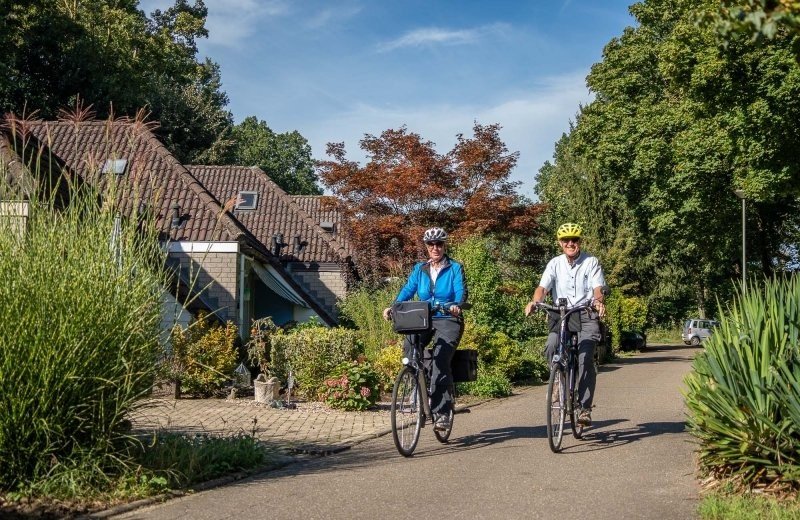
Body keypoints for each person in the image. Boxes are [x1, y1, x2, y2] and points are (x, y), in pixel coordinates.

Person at [383, 227, 468, 431]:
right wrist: (393, 306)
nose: (435, 248)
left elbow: (460, 291)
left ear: (444, 245)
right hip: (423, 318)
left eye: (439, 244)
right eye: (431, 244)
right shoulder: (419, 269)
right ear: (426, 247)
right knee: (410, 349)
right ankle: (417, 388)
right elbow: (407, 290)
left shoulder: (455, 268)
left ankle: (442, 413)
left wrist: (456, 305)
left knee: (440, 361)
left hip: (448, 318)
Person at [524, 222, 606, 426]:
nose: (571, 243)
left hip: (585, 313)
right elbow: (542, 288)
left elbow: (598, 288)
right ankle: (559, 384)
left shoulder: (591, 262)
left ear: (579, 242)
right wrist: (535, 301)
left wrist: (598, 301)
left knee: (585, 357)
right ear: (560, 243)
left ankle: (584, 408)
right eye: (566, 240)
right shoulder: (554, 263)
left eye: (574, 240)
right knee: (552, 346)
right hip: (560, 314)